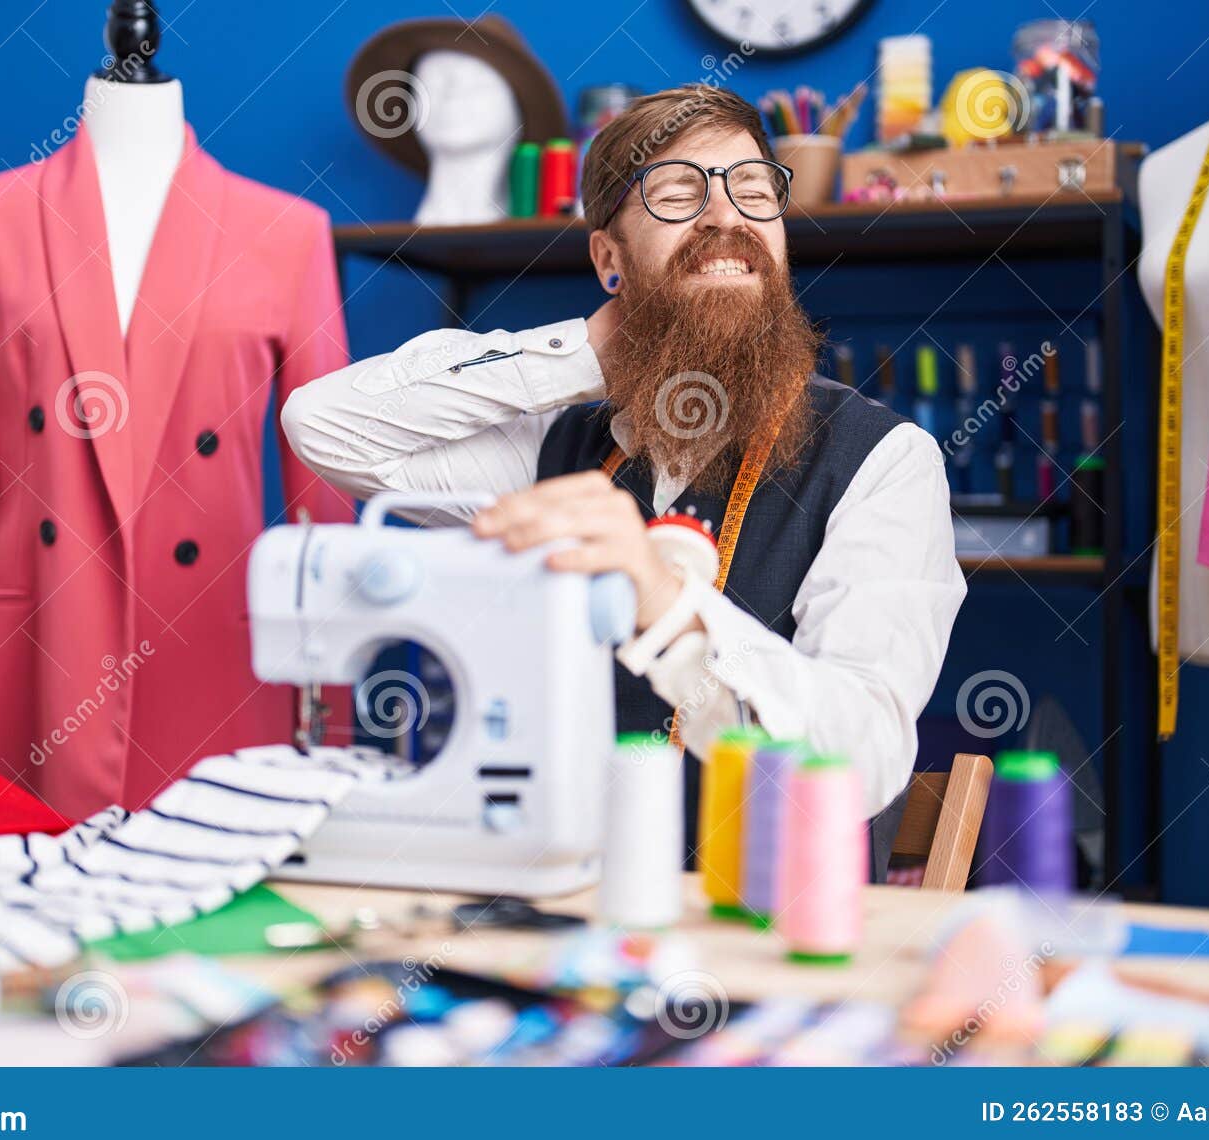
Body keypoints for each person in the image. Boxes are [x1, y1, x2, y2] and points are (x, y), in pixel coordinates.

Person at [282, 84, 966, 877]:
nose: (726, 216)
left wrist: (666, 600)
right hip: (558, 913)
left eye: (753, 189)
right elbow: (324, 423)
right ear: (608, 259)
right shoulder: (554, 455)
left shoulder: (884, 461)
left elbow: (863, 759)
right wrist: (590, 351)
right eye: (677, 193)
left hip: (763, 927)